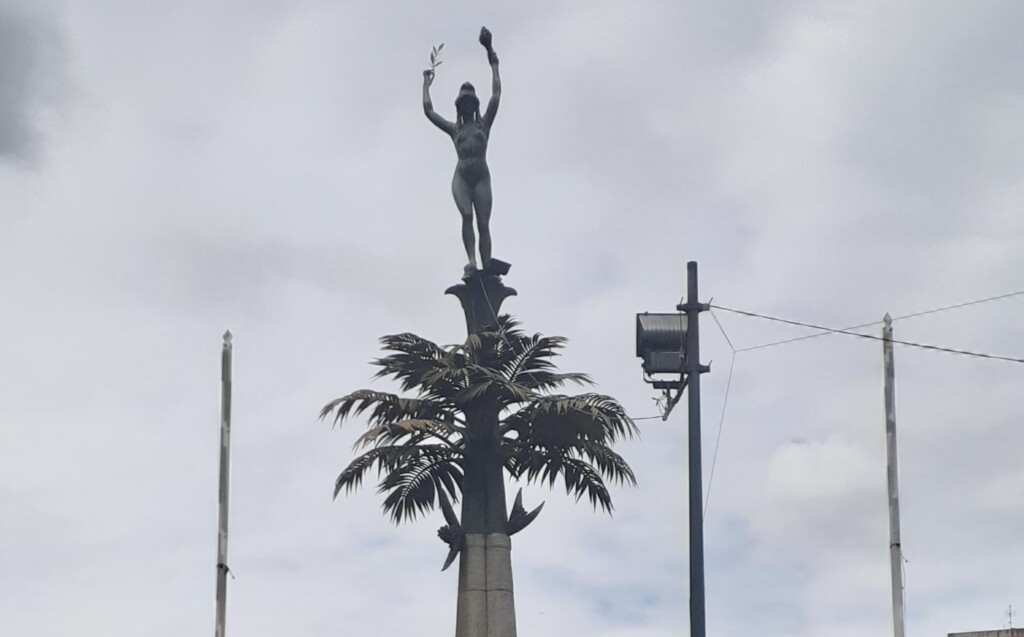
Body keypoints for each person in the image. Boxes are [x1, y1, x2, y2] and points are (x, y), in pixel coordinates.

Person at [423, 27, 501, 277]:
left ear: (474, 105)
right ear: (459, 106)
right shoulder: (454, 129)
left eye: (471, 102)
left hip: (481, 176)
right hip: (462, 177)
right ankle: (472, 261)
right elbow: (429, 111)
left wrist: (491, 55)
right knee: (466, 215)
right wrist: (426, 83)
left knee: (483, 224)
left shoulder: (483, 125)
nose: (467, 105)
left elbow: (497, 94)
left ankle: (487, 264)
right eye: (463, 102)